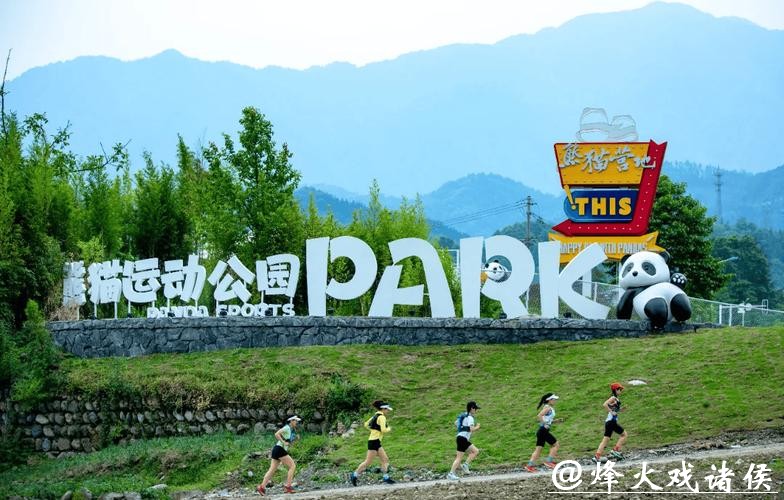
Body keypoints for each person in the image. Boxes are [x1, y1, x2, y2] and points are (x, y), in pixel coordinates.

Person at [350, 400, 395, 486]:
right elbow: (383, 430)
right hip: (374, 442)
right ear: (383, 409)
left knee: (385, 459)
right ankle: (354, 475)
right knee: (368, 462)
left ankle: (386, 478)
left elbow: (366, 424)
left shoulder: (375, 415)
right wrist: (389, 429)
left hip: (375, 441)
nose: (388, 411)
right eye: (387, 409)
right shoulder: (382, 417)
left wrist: (373, 430)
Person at [256, 415, 302, 496]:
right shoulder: (287, 428)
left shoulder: (290, 430)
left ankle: (262, 487)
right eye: (295, 420)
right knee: (292, 466)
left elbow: (288, 443)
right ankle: (288, 486)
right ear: (291, 421)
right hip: (280, 449)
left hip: (277, 449)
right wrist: (283, 442)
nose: (296, 422)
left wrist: (295, 440)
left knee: (272, 470)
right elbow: (276, 434)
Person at [525, 393, 563, 472]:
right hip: (543, 430)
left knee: (538, 450)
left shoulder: (548, 408)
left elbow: (547, 419)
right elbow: (539, 415)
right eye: (554, 399)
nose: (555, 401)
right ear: (549, 400)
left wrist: (556, 421)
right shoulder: (548, 408)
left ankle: (529, 466)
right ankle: (549, 462)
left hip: (541, 431)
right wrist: (544, 424)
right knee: (556, 445)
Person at [593, 383, 627, 462]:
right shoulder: (613, 398)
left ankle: (597, 456)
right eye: (620, 389)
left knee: (605, 440)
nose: (621, 391)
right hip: (612, 421)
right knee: (624, 435)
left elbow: (613, 408)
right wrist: (611, 412)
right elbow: (604, 404)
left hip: (609, 422)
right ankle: (615, 450)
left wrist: (620, 410)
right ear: (616, 390)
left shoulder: (615, 399)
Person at [447, 401, 481, 480]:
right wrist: (477, 427)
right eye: (476, 409)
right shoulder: (470, 418)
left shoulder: (463, 415)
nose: (476, 411)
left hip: (460, 437)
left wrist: (462, 428)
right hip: (463, 439)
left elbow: (456, 423)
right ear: (472, 408)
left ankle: (464, 466)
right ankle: (451, 473)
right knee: (461, 457)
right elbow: (472, 429)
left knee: (474, 451)